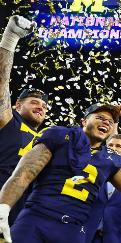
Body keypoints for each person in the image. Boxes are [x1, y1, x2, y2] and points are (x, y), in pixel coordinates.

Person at [0, 103, 121, 243]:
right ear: (84, 121)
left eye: (111, 121)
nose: (106, 121)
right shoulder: (61, 135)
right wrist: (3, 208)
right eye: (100, 117)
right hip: (36, 219)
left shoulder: (110, 159)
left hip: (72, 232)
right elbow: (24, 174)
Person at [0, 15, 49, 224]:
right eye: (34, 102)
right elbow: (1, 80)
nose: (41, 107)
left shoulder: (47, 138)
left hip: (24, 212)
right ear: (17, 105)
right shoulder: (9, 121)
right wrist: (11, 38)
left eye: (45, 106)